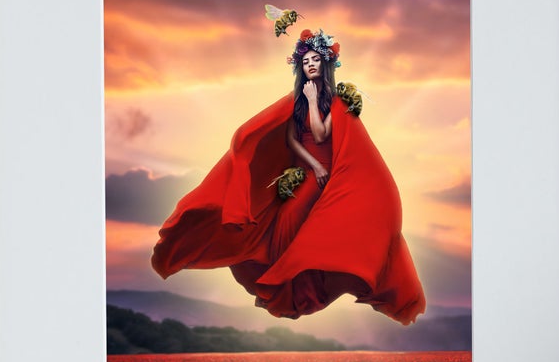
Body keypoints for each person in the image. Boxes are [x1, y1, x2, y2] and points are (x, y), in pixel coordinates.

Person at [150, 21, 425, 325]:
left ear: (325, 65)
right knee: (283, 222)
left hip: (328, 179)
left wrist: (310, 107)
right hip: (308, 171)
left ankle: (304, 291)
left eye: (315, 61)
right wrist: (311, 162)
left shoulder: (335, 103)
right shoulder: (295, 101)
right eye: (305, 62)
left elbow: (320, 135)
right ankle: (286, 290)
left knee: (304, 227)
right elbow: (293, 139)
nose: (310, 66)